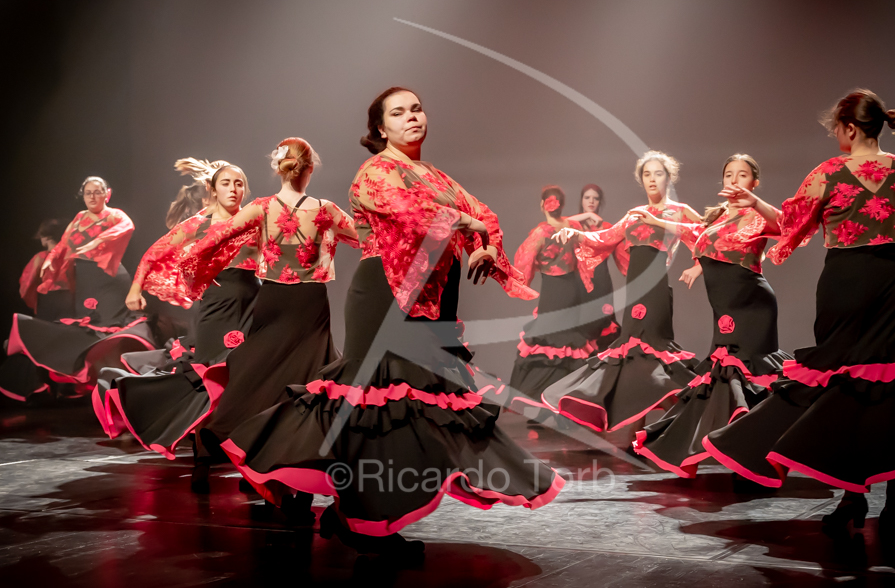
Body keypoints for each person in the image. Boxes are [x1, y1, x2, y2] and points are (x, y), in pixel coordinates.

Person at [218, 88, 563, 564]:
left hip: (433, 299)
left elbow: (484, 215)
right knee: (376, 407)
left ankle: (362, 516)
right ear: (381, 128)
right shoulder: (375, 172)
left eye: (416, 109)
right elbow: (412, 212)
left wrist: (484, 246)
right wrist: (469, 226)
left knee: (421, 409)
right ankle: (357, 517)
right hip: (385, 294)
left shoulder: (437, 177)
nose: (411, 117)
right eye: (398, 113)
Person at [702, 89, 895, 536]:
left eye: (836, 129)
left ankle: (854, 497)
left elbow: (790, 224)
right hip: (892, 280)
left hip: (843, 284)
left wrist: (755, 203)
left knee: (843, 387)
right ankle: (888, 495)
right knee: (894, 384)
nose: (835, 136)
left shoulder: (827, 173)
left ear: (850, 128)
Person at [177, 138, 359, 474]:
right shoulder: (325, 210)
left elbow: (210, 241)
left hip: (274, 300)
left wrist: (198, 278)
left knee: (257, 375)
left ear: (278, 168)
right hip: (310, 303)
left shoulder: (261, 208)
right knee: (307, 380)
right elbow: (369, 240)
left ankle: (215, 441)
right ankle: (285, 462)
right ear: (310, 169)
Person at [93, 161, 260, 492]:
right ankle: (202, 460)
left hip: (253, 309)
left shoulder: (254, 220)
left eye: (239, 183)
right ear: (213, 190)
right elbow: (154, 254)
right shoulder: (199, 224)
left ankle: (251, 464)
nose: (233, 189)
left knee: (251, 384)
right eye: (226, 183)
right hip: (215, 312)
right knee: (208, 384)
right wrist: (134, 290)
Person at [631, 154, 791, 477]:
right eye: (729, 174)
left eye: (742, 175)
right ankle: (733, 450)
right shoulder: (715, 219)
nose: (734, 180)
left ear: (754, 182)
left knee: (751, 376)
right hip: (724, 310)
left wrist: (755, 202)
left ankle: (761, 454)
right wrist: (656, 222)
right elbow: (692, 230)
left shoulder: (757, 216)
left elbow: (786, 225)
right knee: (723, 378)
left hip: (753, 306)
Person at [542, 151, 700, 441]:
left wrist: (697, 266)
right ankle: (638, 427)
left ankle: (681, 416)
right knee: (632, 354)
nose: (652, 179)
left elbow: (707, 236)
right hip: (635, 291)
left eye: (658, 173)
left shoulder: (679, 210)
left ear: (669, 178)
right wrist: (575, 235)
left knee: (653, 351)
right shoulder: (634, 214)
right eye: (647, 174)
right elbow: (605, 238)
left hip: (655, 289)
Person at [1, 177, 154, 401]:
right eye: (88, 193)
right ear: (82, 196)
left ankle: (124, 387)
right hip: (86, 281)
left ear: (107, 194)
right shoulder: (80, 217)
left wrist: (97, 241)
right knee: (88, 333)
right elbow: (64, 243)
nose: (92, 196)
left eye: (97, 192)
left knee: (109, 331)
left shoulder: (114, 215)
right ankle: (102, 386)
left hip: (110, 280)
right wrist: (50, 259)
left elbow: (127, 227)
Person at [508, 185, 596, 419]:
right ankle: (564, 404)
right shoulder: (573, 227)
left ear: (542, 205)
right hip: (574, 291)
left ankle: (542, 402)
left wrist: (520, 284)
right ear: (562, 205)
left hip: (552, 292)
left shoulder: (541, 233)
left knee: (549, 345)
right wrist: (586, 215)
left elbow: (523, 261)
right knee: (569, 346)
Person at [568, 184, 622, 351]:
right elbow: (558, 225)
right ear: (581, 201)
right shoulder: (573, 227)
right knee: (578, 326)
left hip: (601, 281)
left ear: (600, 202)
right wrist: (588, 215)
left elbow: (623, 255)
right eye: (587, 198)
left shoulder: (607, 228)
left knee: (602, 327)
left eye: (595, 198)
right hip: (578, 282)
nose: (591, 201)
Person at [19, 218, 71, 320]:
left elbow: (27, 283)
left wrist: (33, 301)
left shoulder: (41, 257)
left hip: (48, 301)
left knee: (46, 328)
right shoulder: (72, 257)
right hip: (70, 301)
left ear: (47, 238)